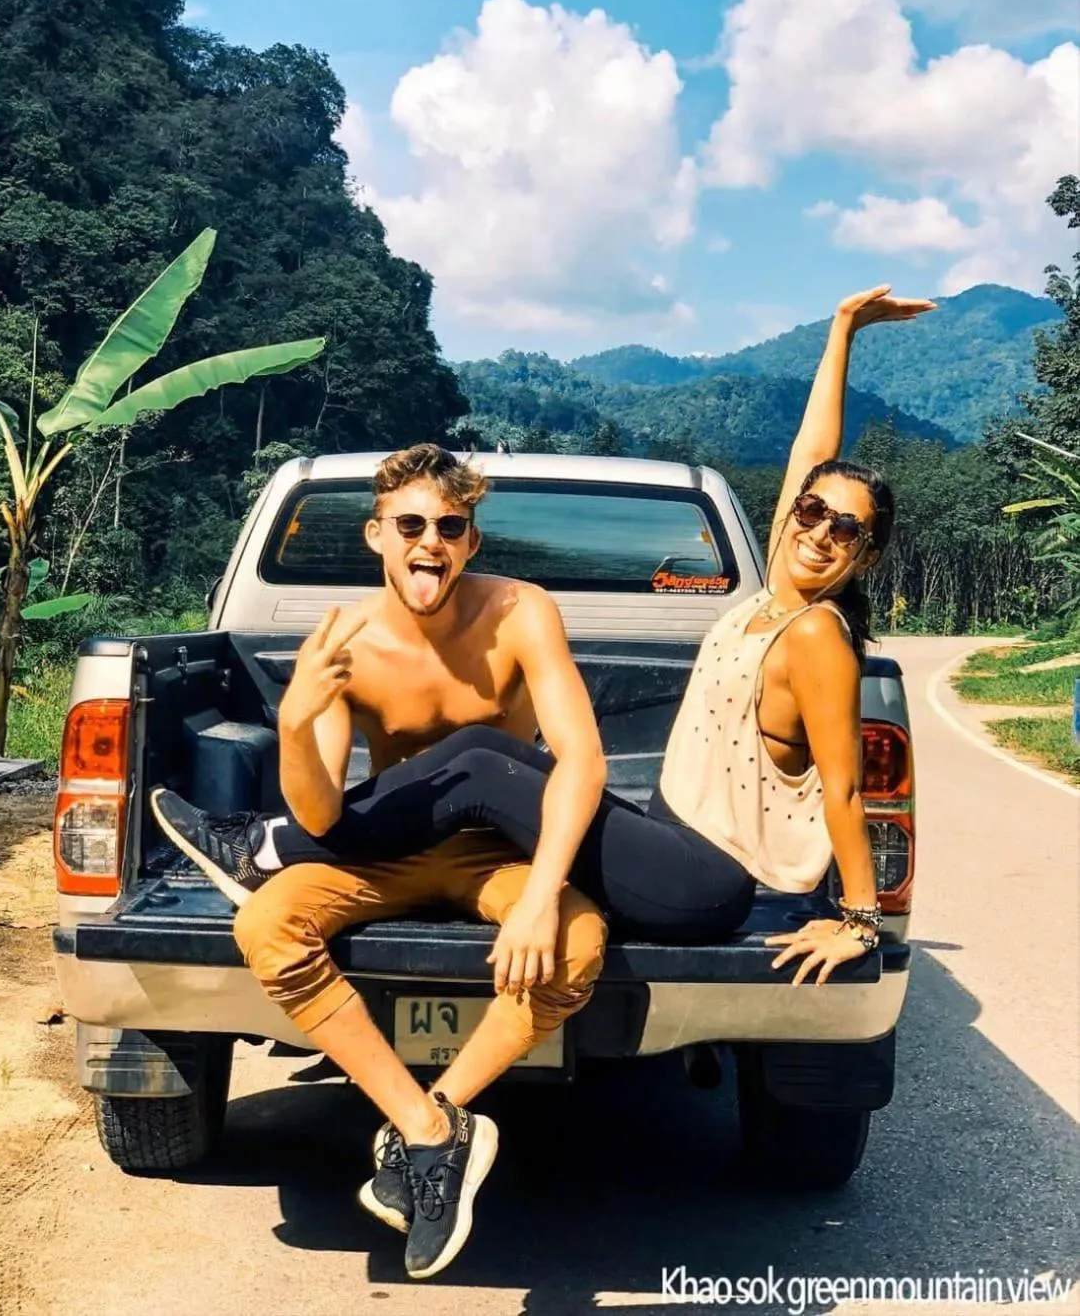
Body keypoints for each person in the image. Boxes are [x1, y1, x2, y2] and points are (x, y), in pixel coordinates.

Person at [156, 282, 934, 1262]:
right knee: (346, 865)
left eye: (843, 528)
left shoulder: (815, 628)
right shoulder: (772, 587)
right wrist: (839, 334)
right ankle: (431, 1126)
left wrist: (858, 913)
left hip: (713, 884)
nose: (817, 528)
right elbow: (808, 459)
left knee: (493, 765)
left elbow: (843, 786)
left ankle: (267, 842)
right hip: (653, 845)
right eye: (809, 512)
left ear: (866, 552)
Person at [151, 444, 612, 1281]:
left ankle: (435, 1118)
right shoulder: (345, 639)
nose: (428, 541)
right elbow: (325, 811)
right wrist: (297, 720)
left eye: (450, 526)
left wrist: (544, 893)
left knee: (577, 943)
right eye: (410, 525)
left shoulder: (521, 613)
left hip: (495, 851)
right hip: (388, 845)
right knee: (267, 922)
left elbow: (581, 758)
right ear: (376, 536)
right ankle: (431, 1131)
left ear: (471, 542)